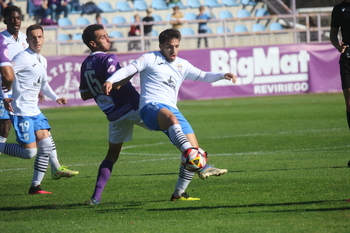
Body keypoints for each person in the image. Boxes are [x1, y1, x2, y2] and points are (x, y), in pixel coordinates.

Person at [103, 28, 236, 201]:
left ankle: (178, 194)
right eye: (169, 46)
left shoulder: (182, 64)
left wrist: (222, 75)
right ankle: (200, 164)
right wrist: (110, 80)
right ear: (160, 46)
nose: (173, 50)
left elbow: (203, 75)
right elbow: (129, 70)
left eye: (176, 46)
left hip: (173, 109)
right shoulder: (150, 58)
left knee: (194, 150)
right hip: (150, 107)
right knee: (190, 148)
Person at [0, 24, 78, 194]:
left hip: (35, 111)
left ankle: (35, 186)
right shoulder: (21, 58)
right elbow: (3, 75)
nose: (37, 40)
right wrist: (5, 97)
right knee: (29, 153)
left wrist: (56, 97)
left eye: (40, 37)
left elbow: (44, 83)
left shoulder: (43, 60)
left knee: (46, 147)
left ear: (44, 38)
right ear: (27, 40)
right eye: (33, 37)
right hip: (21, 112)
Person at [80, 24, 149, 205]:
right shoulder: (109, 58)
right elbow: (117, 83)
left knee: (111, 156)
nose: (108, 39)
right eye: (103, 37)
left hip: (114, 116)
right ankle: (200, 165)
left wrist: (99, 90)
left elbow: (84, 94)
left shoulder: (85, 64)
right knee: (172, 126)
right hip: (133, 108)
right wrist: (135, 69)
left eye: (107, 35)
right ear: (93, 43)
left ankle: (95, 197)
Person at [330, 0, 350, 130]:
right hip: (347, 59)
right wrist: (337, 45)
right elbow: (333, 34)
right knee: (349, 104)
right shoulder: (338, 9)